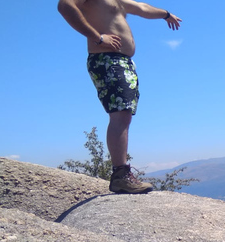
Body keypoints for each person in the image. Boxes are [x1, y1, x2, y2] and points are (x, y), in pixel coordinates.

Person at [57, 0, 182, 194]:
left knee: (124, 114)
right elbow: (64, 6)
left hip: (122, 61)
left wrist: (166, 14)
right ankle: (120, 175)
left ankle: (121, 174)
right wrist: (98, 37)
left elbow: (143, 8)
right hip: (107, 59)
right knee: (121, 114)